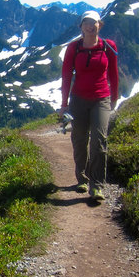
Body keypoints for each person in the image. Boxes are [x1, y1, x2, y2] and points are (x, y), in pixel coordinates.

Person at [59, 10, 119, 201]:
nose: (90, 26)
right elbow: (67, 75)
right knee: (79, 139)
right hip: (78, 99)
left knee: (99, 141)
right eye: (86, 22)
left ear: (99, 25)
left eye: (93, 22)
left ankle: (97, 185)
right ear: (81, 26)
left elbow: (114, 74)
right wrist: (64, 103)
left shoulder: (109, 47)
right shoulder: (73, 48)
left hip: (101, 98)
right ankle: (82, 179)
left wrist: (115, 97)